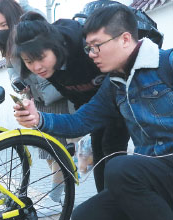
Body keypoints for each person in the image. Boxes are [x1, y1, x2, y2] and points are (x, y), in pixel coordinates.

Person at [14, 5, 173, 220]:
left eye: (97, 45)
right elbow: (80, 121)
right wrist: (38, 118)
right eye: (88, 47)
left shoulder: (166, 63)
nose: (91, 54)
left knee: (120, 168)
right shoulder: (114, 85)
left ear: (124, 39)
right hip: (155, 177)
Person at [12, 7, 130, 197]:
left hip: (119, 97)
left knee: (111, 147)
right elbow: (78, 111)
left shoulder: (85, 48)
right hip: (94, 108)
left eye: (40, 58)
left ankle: (116, 204)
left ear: (55, 46)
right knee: (99, 150)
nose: (36, 67)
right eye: (28, 61)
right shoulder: (50, 66)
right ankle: (108, 203)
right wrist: (36, 117)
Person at [0, 0, 69, 202]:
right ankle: (61, 193)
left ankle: (56, 197)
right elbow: (10, 65)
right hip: (36, 97)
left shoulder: (31, 23)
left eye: (3, 25)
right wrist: (17, 82)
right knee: (46, 150)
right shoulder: (6, 42)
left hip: (56, 94)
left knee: (57, 148)